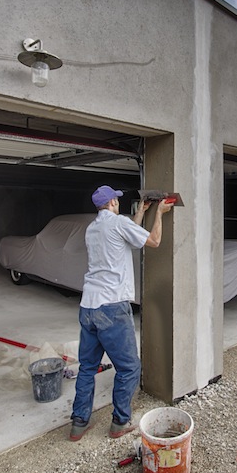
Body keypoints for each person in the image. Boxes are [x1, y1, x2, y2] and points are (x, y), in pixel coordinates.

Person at [70, 185, 172, 441]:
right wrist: (159, 212)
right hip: (112, 308)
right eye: (117, 199)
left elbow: (127, 236)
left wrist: (139, 214)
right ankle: (120, 422)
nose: (118, 201)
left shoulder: (93, 229)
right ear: (113, 203)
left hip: (89, 306)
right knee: (129, 367)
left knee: (87, 367)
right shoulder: (117, 224)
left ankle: (79, 424)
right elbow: (154, 241)